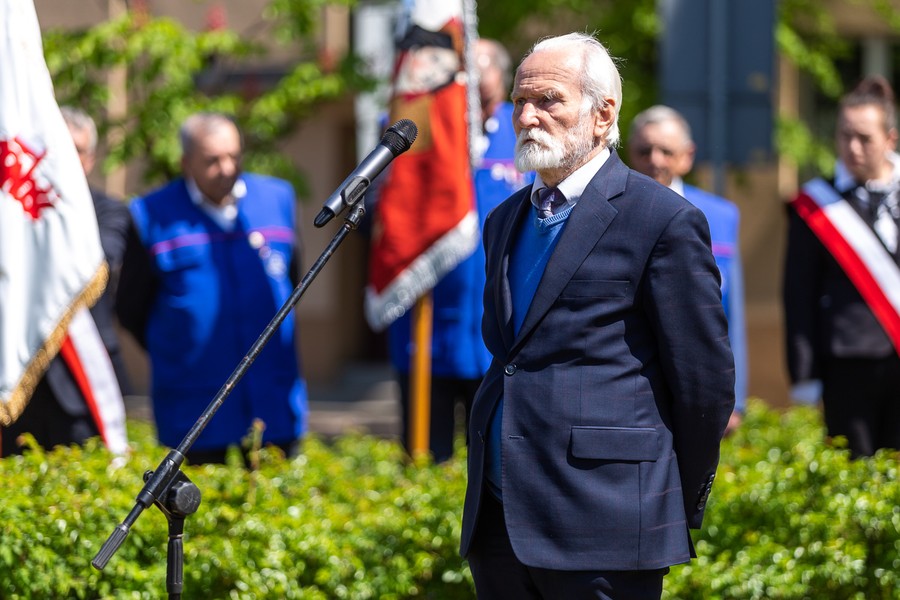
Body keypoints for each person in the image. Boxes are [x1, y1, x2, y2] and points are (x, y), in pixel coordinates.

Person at [459, 33, 735, 599]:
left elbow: (703, 384)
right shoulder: (503, 221)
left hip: (607, 524)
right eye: (519, 101)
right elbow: (509, 357)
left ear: (603, 113)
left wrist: (658, 498)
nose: (528, 116)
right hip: (499, 522)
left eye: (549, 100)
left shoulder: (662, 220)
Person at [116, 112, 308, 466]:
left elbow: (290, 282)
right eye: (213, 160)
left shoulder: (276, 199)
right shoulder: (151, 215)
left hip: (273, 402)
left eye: (234, 156)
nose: (227, 167)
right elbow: (131, 307)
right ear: (186, 163)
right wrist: (179, 346)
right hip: (195, 409)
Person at [387, 38, 532, 463]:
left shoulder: (527, 133)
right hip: (426, 335)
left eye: (481, 83)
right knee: (424, 464)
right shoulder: (418, 128)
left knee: (494, 470)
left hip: (501, 342)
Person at [2, 107, 130, 457]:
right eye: (62, 147)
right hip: (17, 382)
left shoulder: (108, 210)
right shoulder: (12, 208)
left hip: (83, 386)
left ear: (90, 159)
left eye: (78, 150)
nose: (69, 159)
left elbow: (99, 259)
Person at [783, 75, 900, 458]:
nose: (852, 147)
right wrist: (804, 375)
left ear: (890, 139)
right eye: (844, 135)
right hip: (848, 364)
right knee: (855, 479)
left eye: (864, 138)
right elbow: (798, 295)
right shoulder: (815, 205)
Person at [627, 105, 747, 435]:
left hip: (700, 383)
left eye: (666, 151)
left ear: (687, 155)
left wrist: (736, 400)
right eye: (644, 150)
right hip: (633, 384)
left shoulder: (720, 216)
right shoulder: (609, 210)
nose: (655, 160)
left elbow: (731, 312)